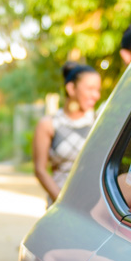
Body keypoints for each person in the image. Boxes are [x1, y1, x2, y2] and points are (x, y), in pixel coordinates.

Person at [32, 61, 101, 204]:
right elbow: (40, 170)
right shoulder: (49, 124)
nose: (96, 95)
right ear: (71, 88)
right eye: (90, 89)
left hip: (93, 205)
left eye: (98, 90)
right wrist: (63, 204)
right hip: (60, 203)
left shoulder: (99, 121)